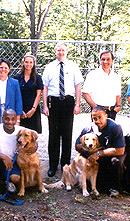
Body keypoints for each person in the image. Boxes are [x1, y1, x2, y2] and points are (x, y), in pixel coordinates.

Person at [42, 42, 84, 177]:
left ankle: (65, 165)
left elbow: (78, 86)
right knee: (53, 135)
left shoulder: (73, 66)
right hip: (53, 102)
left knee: (67, 134)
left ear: (66, 52)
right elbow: (45, 87)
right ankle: (53, 165)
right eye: (58, 50)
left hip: (68, 102)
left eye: (63, 50)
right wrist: (44, 106)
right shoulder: (49, 67)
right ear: (55, 52)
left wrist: (77, 104)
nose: (60, 52)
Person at [75, 106, 125, 195]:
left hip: (111, 156)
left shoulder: (115, 127)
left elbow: (120, 150)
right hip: (96, 158)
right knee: (100, 188)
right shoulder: (88, 129)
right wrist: (87, 150)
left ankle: (115, 187)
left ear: (106, 115)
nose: (97, 121)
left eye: (100, 117)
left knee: (116, 161)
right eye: (94, 118)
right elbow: (77, 145)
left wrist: (98, 153)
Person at [82, 50, 121, 120]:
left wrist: (118, 106)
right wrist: (95, 107)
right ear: (100, 60)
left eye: (108, 59)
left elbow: (117, 94)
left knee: (111, 130)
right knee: (97, 131)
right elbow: (85, 93)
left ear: (112, 61)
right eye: (103, 59)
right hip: (97, 111)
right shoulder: (92, 74)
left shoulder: (116, 76)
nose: (105, 61)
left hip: (112, 111)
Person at [14, 53, 43, 133]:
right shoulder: (17, 78)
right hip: (20, 110)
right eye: (26, 62)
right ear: (23, 63)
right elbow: (15, 95)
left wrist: (33, 109)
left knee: (33, 136)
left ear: (34, 64)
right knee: (19, 135)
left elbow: (38, 95)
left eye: (31, 62)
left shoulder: (38, 78)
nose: (28, 64)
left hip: (33, 110)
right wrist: (20, 110)